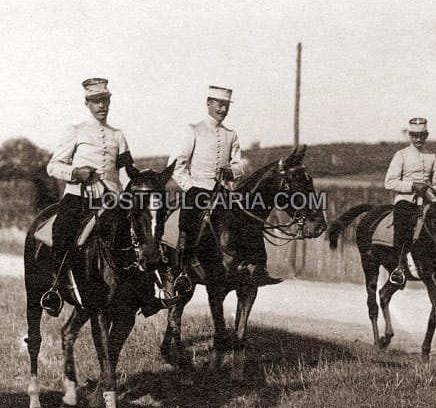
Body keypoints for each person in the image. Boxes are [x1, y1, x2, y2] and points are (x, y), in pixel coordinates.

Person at [44, 78, 157, 316]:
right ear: (87, 103)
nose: (101, 105)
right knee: (62, 230)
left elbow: (128, 171)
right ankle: (55, 290)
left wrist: (140, 187)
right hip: (79, 197)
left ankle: (147, 295)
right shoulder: (75, 131)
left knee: (140, 236)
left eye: (105, 100)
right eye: (96, 101)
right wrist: (76, 172)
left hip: (114, 200)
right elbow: (53, 167)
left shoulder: (118, 135)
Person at [170, 85, 281, 287]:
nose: (223, 109)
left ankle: (258, 268)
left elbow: (241, 164)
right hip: (197, 190)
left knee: (250, 221)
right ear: (209, 104)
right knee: (189, 222)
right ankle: (183, 270)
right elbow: (177, 165)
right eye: (219, 105)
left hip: (225, 194)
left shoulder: (231, 135)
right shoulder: (193, 131)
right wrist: (191, 188)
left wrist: (232, 171)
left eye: (226, 105)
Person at [384, 117, 436, 287]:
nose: (418, 139)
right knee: (402, 222)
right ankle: (398, 268)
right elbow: (389, 182)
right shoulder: (401, 155)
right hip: (406, 200)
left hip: (429, 201)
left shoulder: (431, 157)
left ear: (426, 135)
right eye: (414, 136)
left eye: (421, 136)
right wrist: (412, 185)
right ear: (410, 136)